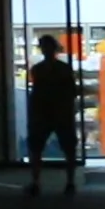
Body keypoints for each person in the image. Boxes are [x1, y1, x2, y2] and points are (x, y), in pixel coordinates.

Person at [25, 33, 78, 197]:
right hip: (61, 112)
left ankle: (36, 182)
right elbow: (71, 91)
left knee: (36, 149)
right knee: (68, 149)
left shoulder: (37, 70)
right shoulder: (64, 68)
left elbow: (36, 93)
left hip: (42, 113)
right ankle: (70, 182)